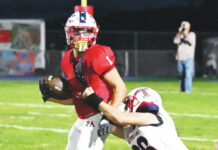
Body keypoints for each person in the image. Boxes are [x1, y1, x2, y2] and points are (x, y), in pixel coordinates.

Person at [39, 11, 126, 150]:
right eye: (78, 32)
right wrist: (50, 98)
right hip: (83, 119)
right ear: (68, 33)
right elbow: (77, 98)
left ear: (94, 33)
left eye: (87, 32)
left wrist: (109, 117)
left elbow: (120, 87)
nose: (82, 37)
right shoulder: (67, 59)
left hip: (99, 115)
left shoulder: (98, 54)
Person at [82, 87, 189, 150]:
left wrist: (94, 100)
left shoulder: (151, 117)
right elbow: (112, 127)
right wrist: (97, 114)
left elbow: (120, 118)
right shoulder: (132, 128)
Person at [173, 21, 196, 93]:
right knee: (181, 74)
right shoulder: (180, 35)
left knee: (188, 74)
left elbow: (190, 42)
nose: (183, 29)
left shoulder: (192, 35)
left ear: (188, 28)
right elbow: (175, 41)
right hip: (180, 57)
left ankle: (188, 90)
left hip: (188, 58)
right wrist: (179, 34)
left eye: (185, 27)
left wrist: (185, 34)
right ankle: (182, 90)